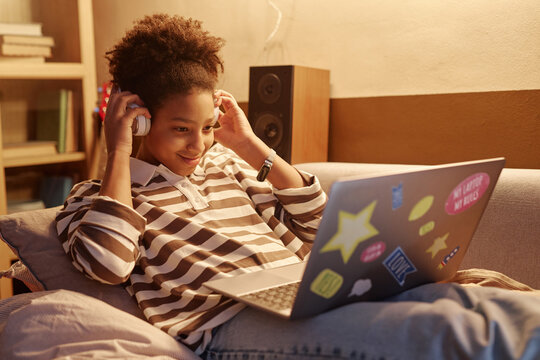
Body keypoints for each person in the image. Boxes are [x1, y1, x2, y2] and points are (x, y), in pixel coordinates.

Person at [57, 13, 540, 360]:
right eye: (181, 128)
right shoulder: (93, 200)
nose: (198, 144)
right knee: (456, 334)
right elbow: (108, 262)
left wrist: (247, 144)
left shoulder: (226, 165)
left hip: (304, 291)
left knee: (482, 305)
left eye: (206, 127)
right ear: (137, 119)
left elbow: (317, 224)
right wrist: (117, 151)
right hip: (226, 326)